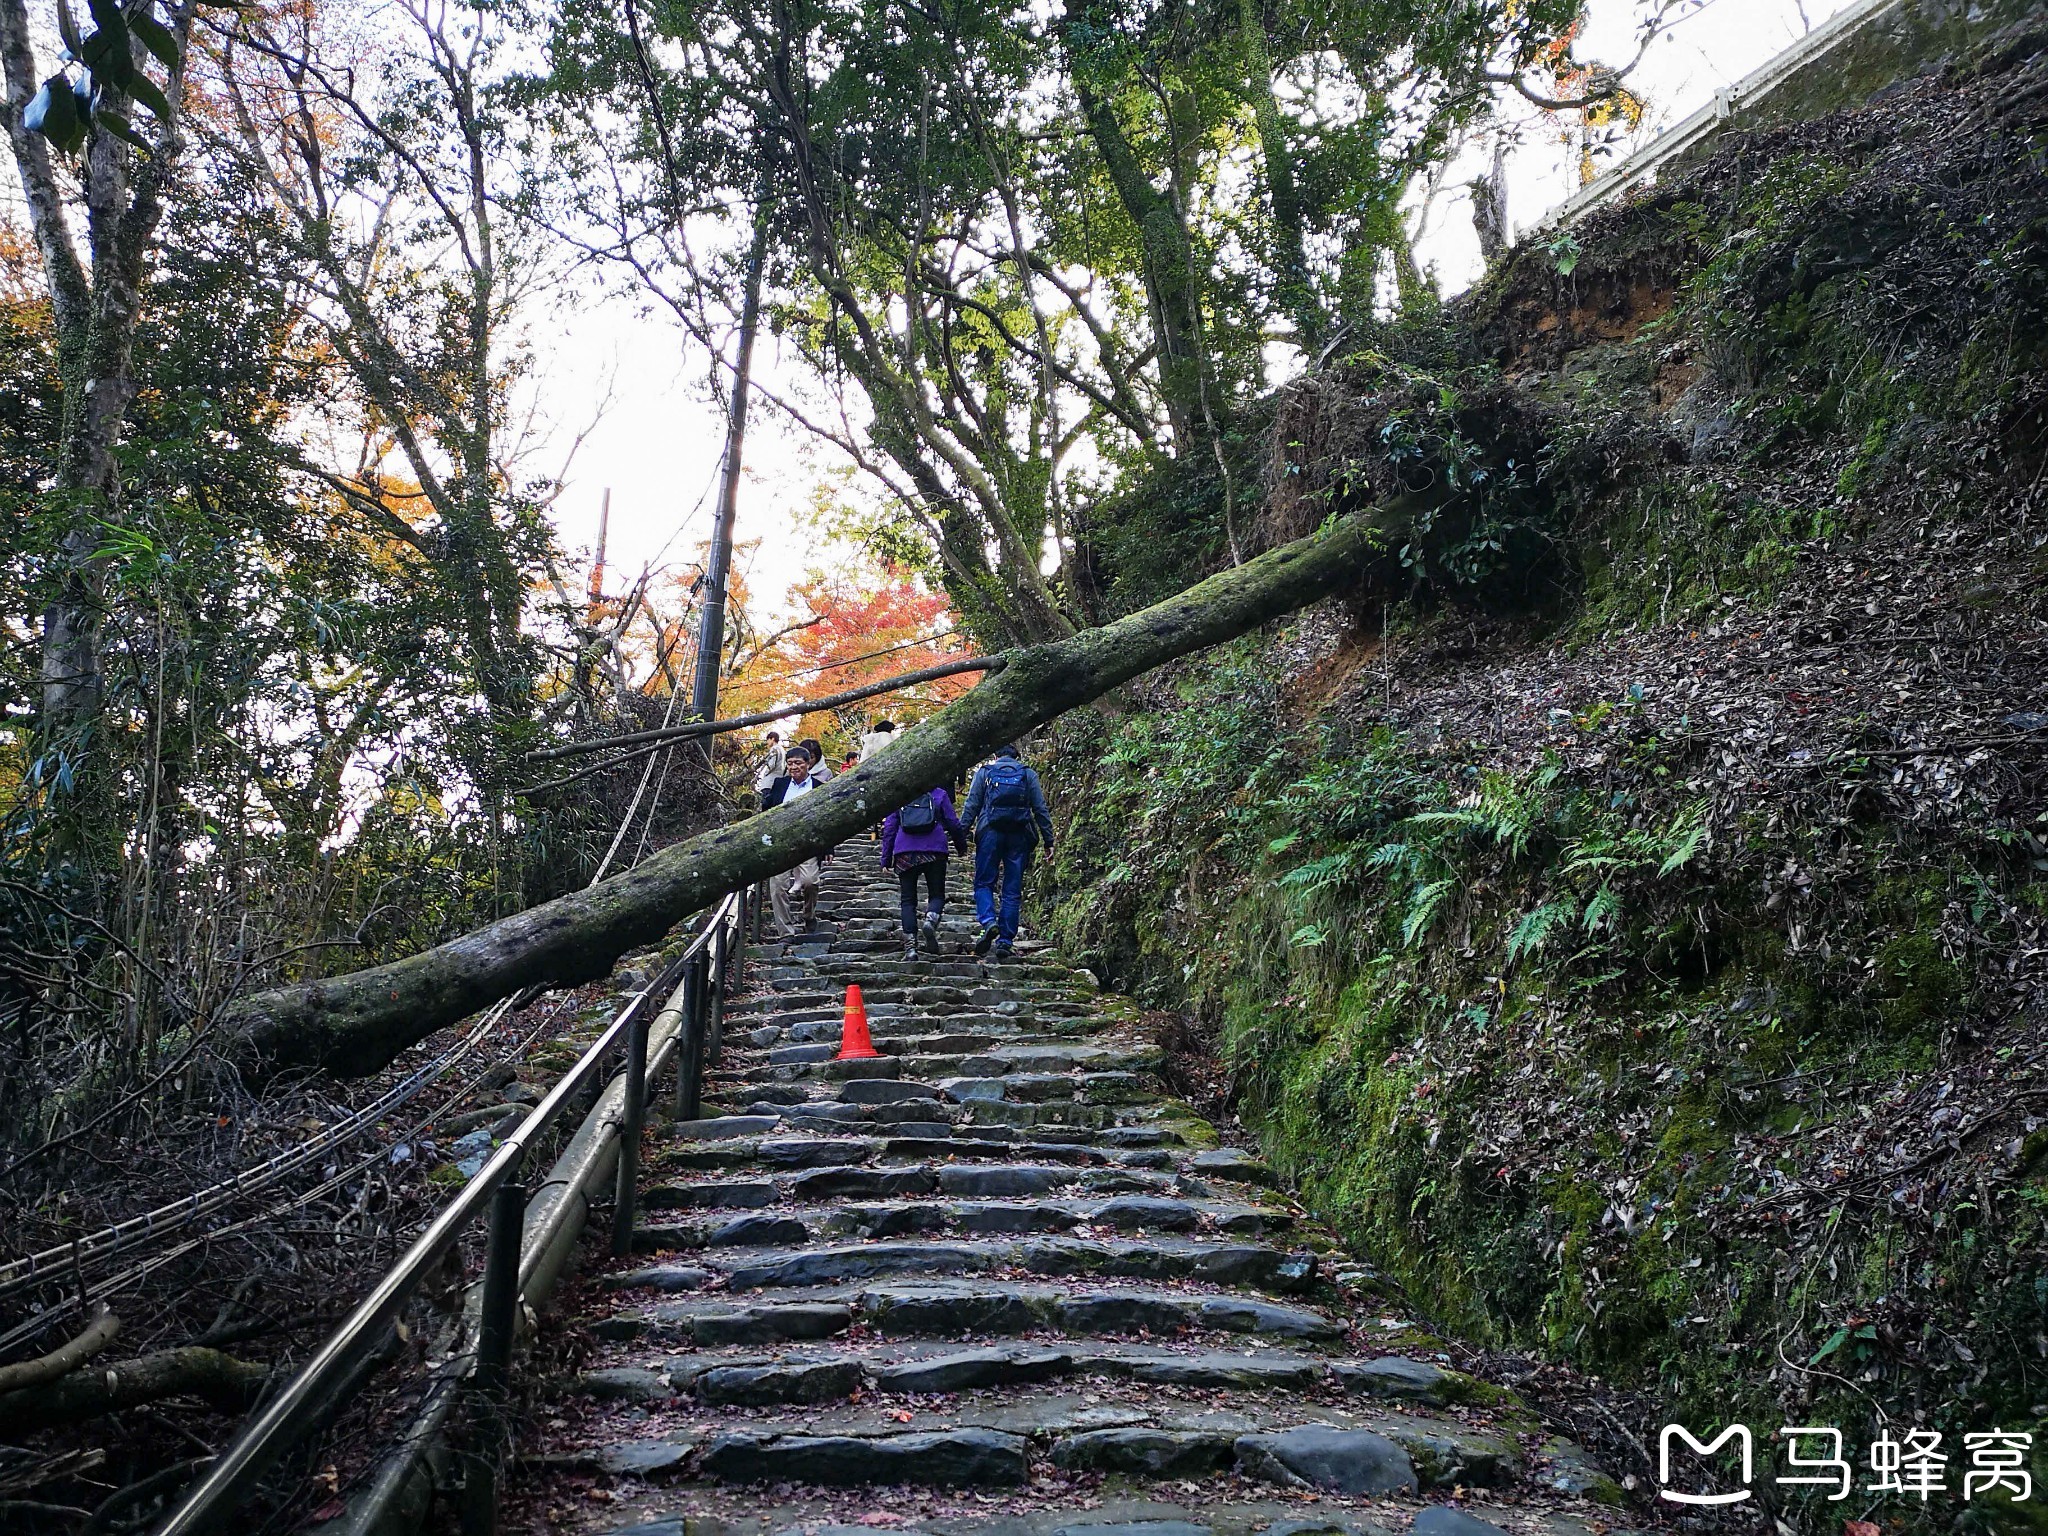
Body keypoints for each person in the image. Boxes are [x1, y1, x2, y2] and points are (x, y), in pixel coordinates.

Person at [961, 743, 1054, 962]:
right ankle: (1005, 941)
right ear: (1016, 756)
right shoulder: (1027, 774)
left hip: (990, 833)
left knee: (984, 882)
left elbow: (972, 805)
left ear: (996, 755)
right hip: (1019, 834)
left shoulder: (985, 772)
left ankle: (988, 921)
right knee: (1012, 889)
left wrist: (960, 833)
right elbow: (1040, 808)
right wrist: (1048, 840)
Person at [879, 780, 968, 961]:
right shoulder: (939, 793)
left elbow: (889, 828)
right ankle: (930, 920)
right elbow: (953, 822)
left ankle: (911, 948)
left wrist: (886, 859)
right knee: (936, 894)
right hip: (934, 850)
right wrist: (961, 846)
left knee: (908, 900)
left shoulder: (901, 796)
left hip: (905, 852)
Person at [760, 745, 825, 937]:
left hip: (807, 842)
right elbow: (768, 811)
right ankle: (785, 932)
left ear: (808, 764)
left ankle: (809, 915)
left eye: (798, 763)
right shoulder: (780, 784)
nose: (794, 767)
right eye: (789, 764)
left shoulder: (818, 787)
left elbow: (825, 819)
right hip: (781, 843)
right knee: (778, 887)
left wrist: (828, 848)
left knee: (810, 882)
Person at [753, 730, 786, 810]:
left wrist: (764, 773)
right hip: (779, 778)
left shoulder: (774, 749)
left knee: (766, 804)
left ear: (772, 739)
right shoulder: (782, 750)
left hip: (770, 781)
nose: (767, 742)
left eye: (768, 739)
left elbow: (771, 764)